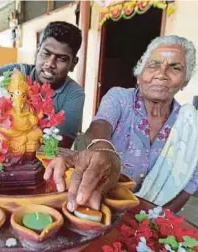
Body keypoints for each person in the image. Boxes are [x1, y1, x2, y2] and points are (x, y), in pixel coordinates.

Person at [44, 35, 198, 213]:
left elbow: (189, 184)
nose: (161, 74)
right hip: (100, 208)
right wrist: (103, 149)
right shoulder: (120, 98)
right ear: (140, 72)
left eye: (175, 68)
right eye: (154, 64)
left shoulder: (191, 126)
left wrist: (153, 221)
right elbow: (100, 124)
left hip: (152, 218)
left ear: (185, 80)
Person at [0, 21, 85, 149]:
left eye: (61, 58)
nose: (50, 63)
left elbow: (59, 147)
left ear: (73, 63)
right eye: (46, 53)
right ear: (37, 52)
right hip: (2, 153)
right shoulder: (14, 73)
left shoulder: (74, 94)